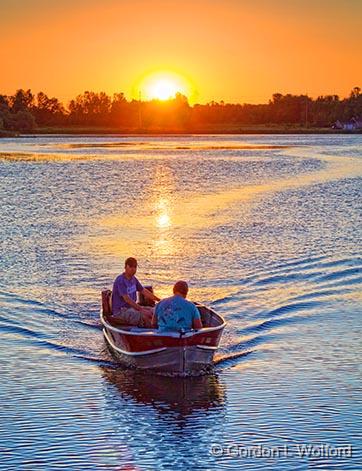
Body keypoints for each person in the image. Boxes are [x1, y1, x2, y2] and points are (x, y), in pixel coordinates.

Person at [112, 257, 160, 327]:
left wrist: (159, 300)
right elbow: (127, 299)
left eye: (135, 267)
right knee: (145, 315)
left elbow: (144, 291)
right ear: (125, 267)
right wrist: (141, 309)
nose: (133, 269)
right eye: (130, 266)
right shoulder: (120, 280)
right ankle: (152, 332)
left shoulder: (134, 279)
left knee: (153, 311)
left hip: (131, 308)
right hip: (121, 311)